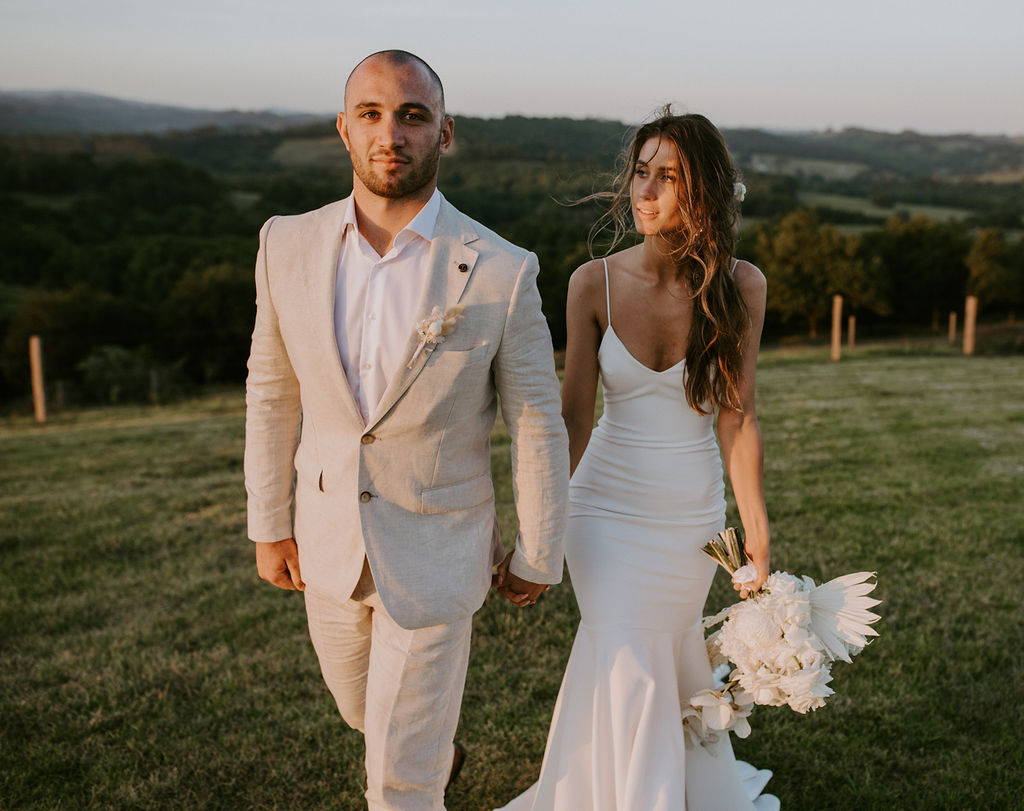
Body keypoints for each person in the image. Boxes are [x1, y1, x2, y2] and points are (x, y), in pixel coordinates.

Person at [244, 50, 569, 810]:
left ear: (444, 133)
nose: (392, 132)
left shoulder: (500, 268)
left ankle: (423, 765)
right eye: (372, 114)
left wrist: (539, 550)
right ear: (344, 131)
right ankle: (435, 746)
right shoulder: (284, 244)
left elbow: (534, 421)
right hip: (325, 538)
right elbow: (271, 391)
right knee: (363, 714)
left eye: (413, 115)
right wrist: (269, 523)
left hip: (438, 546)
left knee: (398, 775)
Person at [498, 110, 780, 809]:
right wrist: (539, 532)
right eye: (641, 172)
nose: (644, 192)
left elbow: (738, 417)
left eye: (669, 177)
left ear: (705, 194)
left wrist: (758, 535)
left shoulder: (743, 286)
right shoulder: (590, 284)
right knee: (622, 644)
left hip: (691, 518)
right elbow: (572, 417)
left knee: (666, 644)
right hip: (604, 509)